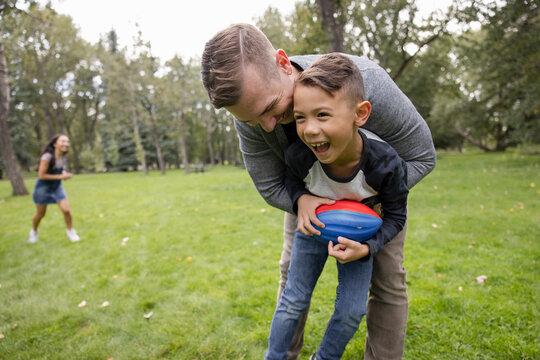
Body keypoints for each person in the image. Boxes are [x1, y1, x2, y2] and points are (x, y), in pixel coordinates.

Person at [201, 23, 436, 359]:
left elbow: (423, 157)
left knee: (387, 284)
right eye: (252, 120)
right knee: (290, 279)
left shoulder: (370, 83)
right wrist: (303, 199)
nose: (267, 125)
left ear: (284, 63)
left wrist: (368, 196)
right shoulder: (250, 114)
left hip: (378, 201)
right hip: (307, 193)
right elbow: (270, 184)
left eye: (270, 107)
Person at [265, 53, 409, 360]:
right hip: (312, 228)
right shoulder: (300, 155)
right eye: (301, 117)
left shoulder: (385, 164)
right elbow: (290, 180)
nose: (310, 130)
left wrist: (368, 248)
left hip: (358, 238)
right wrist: (300, 198)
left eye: (323, 115)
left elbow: (396, 216)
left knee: (350, 310)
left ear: (360, 114)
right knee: (293, 300)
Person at [28, 134, 80, 243]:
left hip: (57, 186)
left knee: (66, 210)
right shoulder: (47, 157)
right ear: (55, 144)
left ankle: (70, 231)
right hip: (43, 188)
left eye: (67, 141)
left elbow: (59, 170)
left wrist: (64, 174)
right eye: (62, 141)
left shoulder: (63, 156)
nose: (66, 144)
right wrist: (61, 176)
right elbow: (41, 175)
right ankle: (34, 231)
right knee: (41, 214)